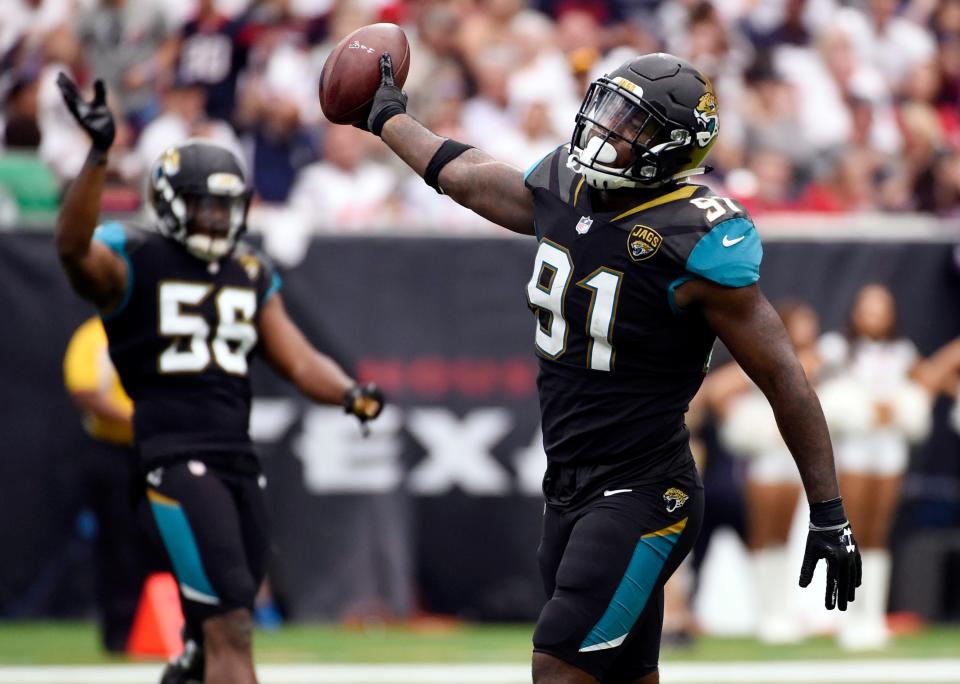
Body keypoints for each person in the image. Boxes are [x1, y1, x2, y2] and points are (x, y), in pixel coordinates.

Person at [351, 51, 862, 683]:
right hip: (568, 484)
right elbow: (468, 174)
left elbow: (785, 378)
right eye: (608, 110)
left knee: (558, 666)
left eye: (631, 124)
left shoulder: (694, 238)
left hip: (647, 491)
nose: (606, 130)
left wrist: (829, 510)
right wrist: (388, 117)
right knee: (625, 677)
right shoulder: (566, 185)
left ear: (673, 146)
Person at [54, 74, 384, 684]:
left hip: (237, 455)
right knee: (228, 619)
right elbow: (73, 249)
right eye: (206, 203)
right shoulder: (136, 257)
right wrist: (98, 156)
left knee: (222, 630)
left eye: (227, 205)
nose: (218, 217)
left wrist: (347, 391)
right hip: (174, 454)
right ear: (173, 202)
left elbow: (297, 358)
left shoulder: (249, 269)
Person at [817, 283, 932, 650]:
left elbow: (927, 380)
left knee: (879, 532)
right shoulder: (835, 348)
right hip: (853, 449)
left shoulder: (903, 351)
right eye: (868, 308)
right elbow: (809, 380)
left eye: (882, 309)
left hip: (889, 448)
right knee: (852, 529)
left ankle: (872, 617)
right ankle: (848, 616)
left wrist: (900, 406)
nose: (875, 316)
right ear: (855, 312)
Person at [713, 300, 824, 644]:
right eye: (801, 324)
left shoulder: (822, 358)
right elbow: (716, 393)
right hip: (764, 459)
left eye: (811, 324)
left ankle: (781, 610)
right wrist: (750, 427)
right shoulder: (764, 355)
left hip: (792, 459)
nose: (807, 331)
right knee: (763, 532)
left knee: (785, 536)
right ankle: (766, 613)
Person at [63, 315, 149, 653]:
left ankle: (178, 628)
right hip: (114, 449)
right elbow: (84, 389)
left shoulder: (156, 327)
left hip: (158, 448)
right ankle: (120, 632)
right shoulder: (95, 335)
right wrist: (139, 418)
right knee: (118, 543)